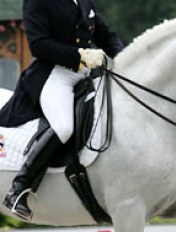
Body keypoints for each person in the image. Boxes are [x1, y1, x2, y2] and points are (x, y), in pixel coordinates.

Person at [0, 0, 124, 220]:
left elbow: (105, 35)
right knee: (64, 126)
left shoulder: (83, 1)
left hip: (86, 74)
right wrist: (80, 56)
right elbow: (38, 44)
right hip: (55, 74)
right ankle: (19, 189)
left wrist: (126, 59)